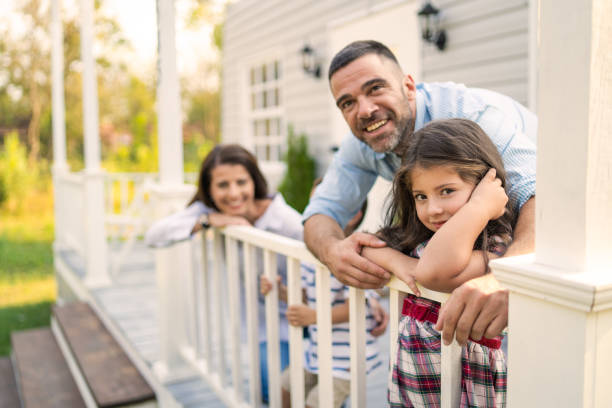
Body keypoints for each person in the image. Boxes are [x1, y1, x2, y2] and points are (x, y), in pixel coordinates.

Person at [302, 40, 536, 345]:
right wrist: (333, 252)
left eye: (375, 89)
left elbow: (541, 199)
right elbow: (320, 213)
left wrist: (507, 280)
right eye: (347, 103)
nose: (365, 110)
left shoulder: (472, 116)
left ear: (408, 87)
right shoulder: (360, 144)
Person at [361, 119, 511, 406]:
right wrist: (397, 262)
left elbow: (430, 272)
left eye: (446, 191)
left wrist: (480, 207)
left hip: (464, 385)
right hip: (414, 382)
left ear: (483, 187)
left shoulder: (492, 249)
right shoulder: (421, 242)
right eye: (421, 196)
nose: (433, 209)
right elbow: (367, 246)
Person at [145, 144, 303, 403]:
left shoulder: (284, 220)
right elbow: (154, 235)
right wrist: (208, 221)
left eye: (241, 182)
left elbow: (322, 260)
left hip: (311, 319)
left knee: (311, 394)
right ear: (209, 189)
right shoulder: (210, 212)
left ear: (254, 180)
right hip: (268, 328)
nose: (233, 194)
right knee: (271, 391)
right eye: (222, 185)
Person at [261, 191, 387, 408]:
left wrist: (313, 317)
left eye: (320, 205)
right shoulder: (314, 253)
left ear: (354, 214)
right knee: (285, 387)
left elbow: (355, 308)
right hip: (317, 352)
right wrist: (279, 289)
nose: (312, 214)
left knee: (317, 402)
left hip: (347, 359)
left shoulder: (357, 254)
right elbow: (306, 293)